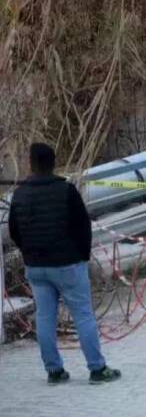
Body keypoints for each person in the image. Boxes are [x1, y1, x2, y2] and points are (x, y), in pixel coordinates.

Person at [7, 143, 121, 385]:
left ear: (31, 163)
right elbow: (83, 226)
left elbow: (14, 231)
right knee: (83, 315)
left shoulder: (19, 194)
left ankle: (54, 371)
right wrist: (83, 256)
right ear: (53, 162)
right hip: (68, 264)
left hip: (36, 266)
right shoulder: (66, 190)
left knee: (45, 317)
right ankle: (97, 368)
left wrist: (29, 252)